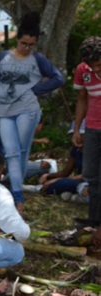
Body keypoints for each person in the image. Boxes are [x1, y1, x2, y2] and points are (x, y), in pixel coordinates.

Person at [0, 12, 65, 214]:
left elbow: (58, 78)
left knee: (19, 153)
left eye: (31, 44)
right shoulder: (3, 57)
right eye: (23, 43)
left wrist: (35, 90)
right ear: (17, 39)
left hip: (27, 110)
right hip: (5, 111)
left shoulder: (37, 59)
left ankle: (17, 197)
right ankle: (13, 194)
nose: (26, 48)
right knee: (10, 153)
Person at [0, 112, 55, 180]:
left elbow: (4, 154)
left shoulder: (0, 133)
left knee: (44, 166)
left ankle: (5, 178)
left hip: (2, 165)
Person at [73, 36, 101, 227]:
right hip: (92, 128)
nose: (96, 69)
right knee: (91, 175)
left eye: (99, 64)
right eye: (92, 65)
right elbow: (82, 99)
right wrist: (77, 129)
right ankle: (94, 220)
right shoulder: (82, 70)